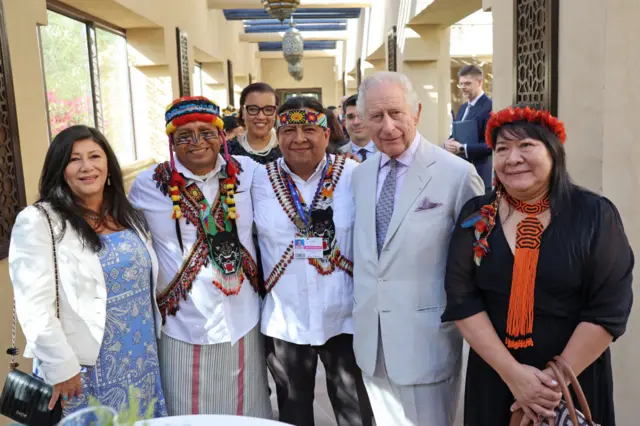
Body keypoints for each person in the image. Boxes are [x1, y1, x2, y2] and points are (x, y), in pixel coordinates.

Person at [441, 104, 634, 426]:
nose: (512, 158)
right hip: (497, 375)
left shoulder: (594, 215)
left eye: (526, 146)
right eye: (502, 149)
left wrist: (548, 388)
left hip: (574, 377)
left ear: (554, 153)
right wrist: (514, 375)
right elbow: (462, 299)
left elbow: (609, 308)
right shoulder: (477, 215)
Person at [351, 72, 484, 426]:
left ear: (417, 112)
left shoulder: (457, 174)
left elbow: (477, 262)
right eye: (376, 117)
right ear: (363, 121)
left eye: (397, 113)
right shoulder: (359, 177)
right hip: (372, 342)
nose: (388, 126)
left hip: (426, 344)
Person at [9, 125, 167, 420]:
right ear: (60, 169)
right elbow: (34, 305)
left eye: (95, 156)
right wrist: (61, 367)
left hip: (139, 359)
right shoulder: (39, 221)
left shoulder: (127, 212)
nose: (87, 167)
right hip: (81, 369)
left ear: (108, 163)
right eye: (74, 159)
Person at [128, 96, 271, 418]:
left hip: (243, 318)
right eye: (184, 135)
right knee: (187, 412)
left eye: (206, 132)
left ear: (221, 135)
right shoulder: (148, 185)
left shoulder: (250, 173)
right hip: (183, 323)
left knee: (245, 412)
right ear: (171, 141)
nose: (197, 142)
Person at [253, 96, 373, 426]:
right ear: (278, 135)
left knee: (356, 412)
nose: (299, 138)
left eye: (309, 128)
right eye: (289, 129)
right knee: (293, 412)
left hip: (344, 317)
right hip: (285, 321)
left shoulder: (354, 175)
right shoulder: (257, 181)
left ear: (326, 133)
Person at [444, 65, 493, 192]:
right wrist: (448, 143)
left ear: (480, 82)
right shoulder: (463, 108)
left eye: (467, 84)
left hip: (480, 175)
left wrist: (462, 148)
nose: (463, 88)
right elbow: (457, 134)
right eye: (461, 84)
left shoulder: (490, 107)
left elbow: (490, 145)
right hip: (461, 175)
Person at [227, 82, 282, 164]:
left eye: (268, 109)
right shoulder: (227, 152)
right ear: (242, 111)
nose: (261, 117)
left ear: (275, 113)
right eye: (253, 109)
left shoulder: (288, 150)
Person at [338, 94, 376, 161]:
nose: (356, 122)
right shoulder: (337, 156)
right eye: (350, 117)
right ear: (344, 122)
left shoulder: (388, 152)